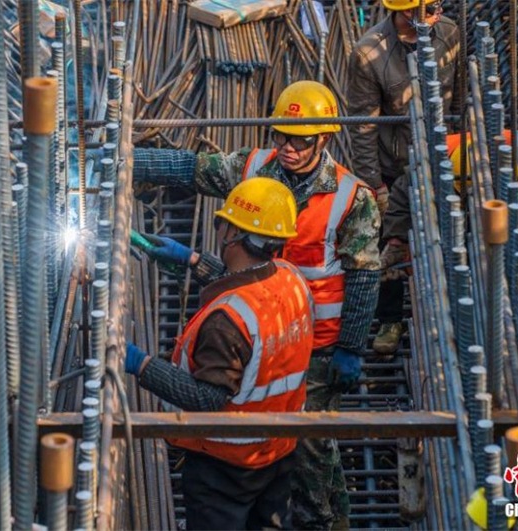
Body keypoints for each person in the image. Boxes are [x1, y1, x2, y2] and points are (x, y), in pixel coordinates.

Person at [132, 80, 381, 529]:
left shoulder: (351, 198)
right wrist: (126, 162)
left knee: (310, 448)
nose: (287, 147)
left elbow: (364, 275)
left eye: (299, 140)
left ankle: (327, 520)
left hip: (312, 345)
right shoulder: (254, 169)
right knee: (293, 448)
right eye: (281, 136)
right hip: (261, 325)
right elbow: (190, 168)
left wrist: (352, 344)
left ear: (323, 139)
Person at [126, 178, 314, 530]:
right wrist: (191, 260)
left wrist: (141, 364)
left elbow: (206, 399)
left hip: (225, 464)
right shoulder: (290, 278)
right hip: (278, 448)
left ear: (233, 234)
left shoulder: (226, 321)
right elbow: (250, 282)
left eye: (223, 223)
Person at [347, 0, 460, 357]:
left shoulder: (450, 34)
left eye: (438, 6)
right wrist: (374, 185)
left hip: (440, 157)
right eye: (429, 9)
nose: (436, 15)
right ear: (405, 11)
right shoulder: (369, 53)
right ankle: (390, 317)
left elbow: (459, 100)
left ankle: (452, 313)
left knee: (450, 234)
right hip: (395, 163)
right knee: (389, 244)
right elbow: (364, 128)